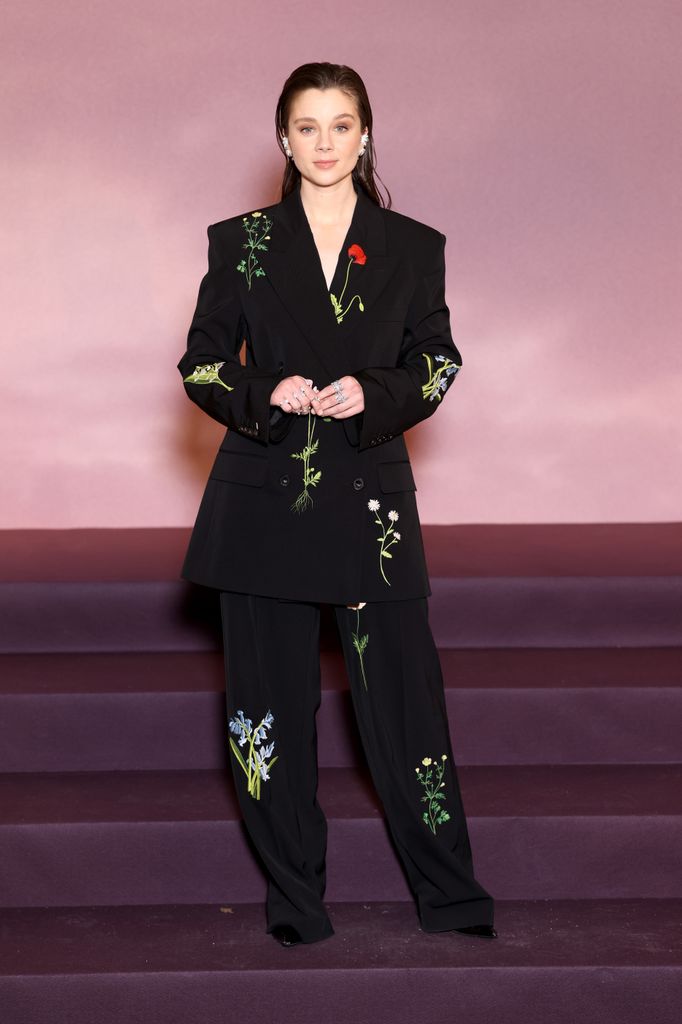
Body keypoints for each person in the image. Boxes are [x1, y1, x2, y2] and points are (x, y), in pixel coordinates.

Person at [177, 62, 496, 947]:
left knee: (405, 711)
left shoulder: (414, 245)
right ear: (284, 137)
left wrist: (377, 393)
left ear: (366, 135)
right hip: (262, 505)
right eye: (308, 126)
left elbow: (438, 360)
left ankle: (453, 897)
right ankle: (295, 899)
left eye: (341, 124)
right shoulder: (238, 241)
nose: (324, 142)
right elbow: (201, 363)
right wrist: (264, 391)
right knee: (267, 714)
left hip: (370, 511)